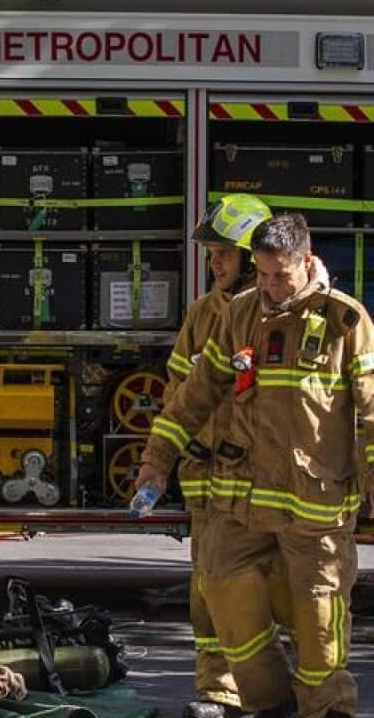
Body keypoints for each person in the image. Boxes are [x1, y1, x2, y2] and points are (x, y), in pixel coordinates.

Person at [136, 212, 372, 718]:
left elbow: (372, 412)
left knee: (318, 626)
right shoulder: (240, 313)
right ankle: (269, 702)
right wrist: (158, 459)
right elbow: (195, 394)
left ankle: (326, 709)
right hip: (242, 500)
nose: (270, 288)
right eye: (262, 275)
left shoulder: (346, 322)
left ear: (307, 262)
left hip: (317, 508)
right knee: (219, 581)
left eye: (280, 276)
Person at [162, 194, 278, 718]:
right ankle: (218, 693)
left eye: (224, 253)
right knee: (207, 590)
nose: (214, 262)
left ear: (254, 256)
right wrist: (182, 447)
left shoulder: (280, 316)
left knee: (264, 592)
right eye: (211, 252)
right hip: (209, 473)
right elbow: (179, 387)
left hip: (264, 479)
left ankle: (267, 693)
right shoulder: (204, 313)